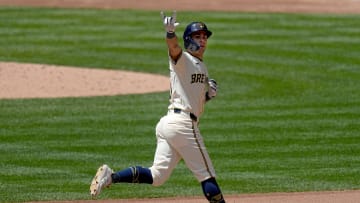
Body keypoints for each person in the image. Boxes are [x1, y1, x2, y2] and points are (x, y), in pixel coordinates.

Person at [90, 11, 225, 203]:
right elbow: (174, 48)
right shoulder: (183, 59)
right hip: (183, 125)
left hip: (170, 123)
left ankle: (111, 177)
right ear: (189, 39)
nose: (202, 40)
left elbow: (191, 99)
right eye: (197, 36)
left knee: (157, 176)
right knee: (206, 175)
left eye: (204, 37)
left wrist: (207, 96)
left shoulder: (200, 65)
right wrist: (170, 33)